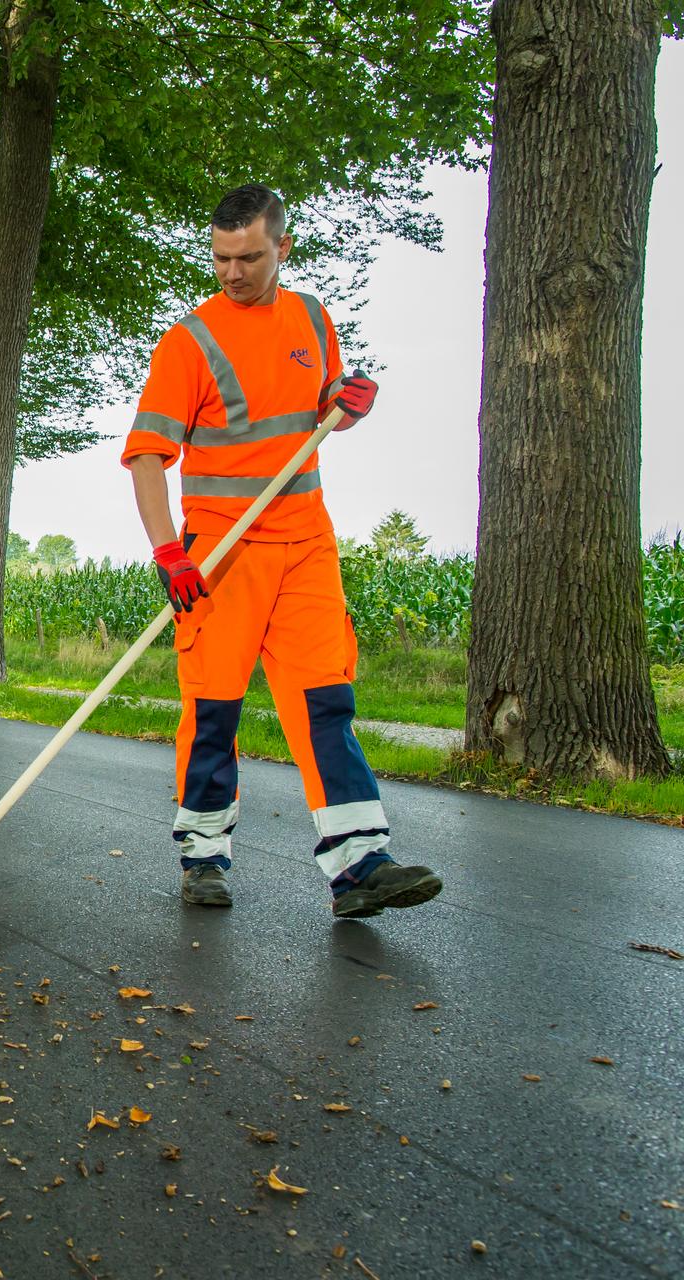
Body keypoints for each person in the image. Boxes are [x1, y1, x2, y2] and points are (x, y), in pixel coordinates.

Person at [121, 184, 442, 918]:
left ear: (282, 248)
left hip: (305, 544)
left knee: (326, 702)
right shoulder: (190, 341)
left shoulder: (309, 316)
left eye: (249, 258)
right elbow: (146, 458)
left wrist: (352, 401)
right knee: (214, 711)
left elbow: (327, 408)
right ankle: (203, 856)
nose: (231, 273)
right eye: (220, 257)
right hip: (222, 556)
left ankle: (361, 866)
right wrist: (169, 553)